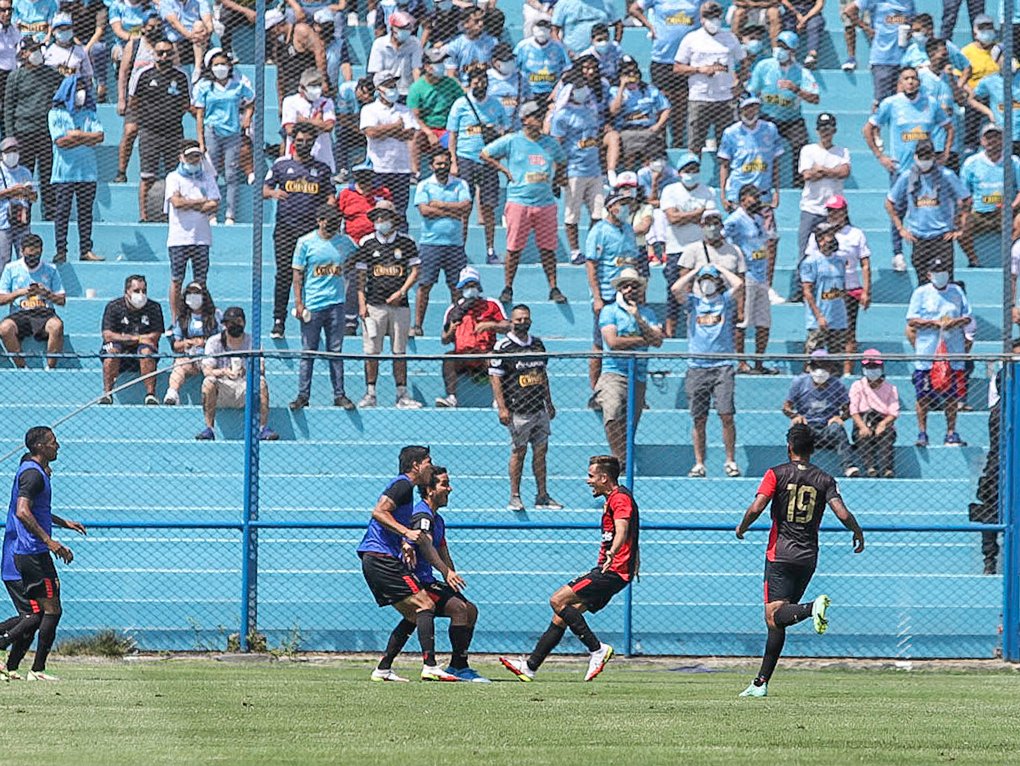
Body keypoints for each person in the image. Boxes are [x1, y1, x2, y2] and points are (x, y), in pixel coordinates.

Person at [734, 423, 865, 697]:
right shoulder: (825, 479)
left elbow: (758, 506)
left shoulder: (776, 474)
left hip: (780, 553)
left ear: (789, 447)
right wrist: (857, 531)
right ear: (813, 449)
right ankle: (761, 683)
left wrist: (743, 526)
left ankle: (810, 609)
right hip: (807, 557)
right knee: (777, 618)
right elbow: (841, 512)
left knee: (773, 615)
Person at [499, 454, 636, 682]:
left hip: (612, 570)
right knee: (562, 617)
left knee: (557, 600)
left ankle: (597, 649)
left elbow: (622, 529)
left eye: (591, 476)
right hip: (615, 569)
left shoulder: (619, 499)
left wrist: (614, 551)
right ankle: (530, 667)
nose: (588, 480)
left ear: (604, 477)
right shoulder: (615, 497)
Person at [374, 466, 488, 682]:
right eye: (444, 484)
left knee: (468, 610)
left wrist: (451, 573)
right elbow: (422, 541)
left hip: (428, 580)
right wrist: (409, 544)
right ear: (429, 490)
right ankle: (456, 667)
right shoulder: (422, 514)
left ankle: (385, 666)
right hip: (416, 580)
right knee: (459, 609)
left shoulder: (438, 519)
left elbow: (442, 550)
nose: (450, 488)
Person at [358, 445, 461, 683]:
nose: (431, 467)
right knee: (425, 604)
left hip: (379, 558)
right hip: (380, 558)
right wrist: (407, 533)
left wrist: (404, 540)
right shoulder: (402, 484)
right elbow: (379, 512)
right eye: (428, 462)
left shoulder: (408, 490)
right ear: (416, 465)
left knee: (415, 615)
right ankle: (430, 666)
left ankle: (383, 669)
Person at [0, 427, 87, 681]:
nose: (57, 446)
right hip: (29, 553)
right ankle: (33, 668)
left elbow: (35, 510)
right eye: (53, 442)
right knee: (40, 613)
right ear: (39, 447)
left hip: (30, 552)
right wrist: (51, 542)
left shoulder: (34, 471)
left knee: (38, 614)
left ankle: (15, 666)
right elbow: (23, 511)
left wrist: (63, 522)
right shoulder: (33, 475)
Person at [481, 100, 567, 306]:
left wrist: (556, 180)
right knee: (513, 248)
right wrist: (504, 170)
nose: (538, 120)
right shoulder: (512, 140)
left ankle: (553, 287)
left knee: (547, 248)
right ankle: (508, 287)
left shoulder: (550, 143)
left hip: (545, 202)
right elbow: (485, 153)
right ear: (524, 119)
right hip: (519, 200)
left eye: (540, 116)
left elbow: (562, 161)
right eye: (534, 116)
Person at [865, 68, 952, 270]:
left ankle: (929, 254)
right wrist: (881, 156)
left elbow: (948, 127)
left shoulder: (930, 103)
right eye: (906, 79)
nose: (910, 82)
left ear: (919, 82)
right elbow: (868, 128)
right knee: (897, 209)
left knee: (928, 207)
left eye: (914, 78)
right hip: (902, 169)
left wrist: (945, 153)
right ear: (900, 82)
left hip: (927, 170)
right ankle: (897, 254)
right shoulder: (891, 104)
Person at [263, 121, 335, 339]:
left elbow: (331, 196)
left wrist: (329, 210)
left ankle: (312, 316)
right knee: (284, 273)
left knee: (311, 274)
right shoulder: (281, 165)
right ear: (293, 142)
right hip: (286, 229)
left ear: (314, 143)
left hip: (312, 232)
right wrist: (274, 194)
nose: (303, 144)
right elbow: (264, 188)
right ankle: (278, 320)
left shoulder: (322, 169)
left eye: (308, 141)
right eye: (299, 140)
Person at [672, 263, 743, 478]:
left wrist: (720, 268)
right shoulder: (693, 303)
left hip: (722, 366)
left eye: (710, 279)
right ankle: (699, 463)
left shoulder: (725, 301)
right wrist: (695, 272)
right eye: (704, 280)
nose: (707, 283)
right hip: (697, 367)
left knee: (726, 415)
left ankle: (730, 460)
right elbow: (676, 289)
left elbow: (739, 284)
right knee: (698, 417)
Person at [489, 304, 562, 512]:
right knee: (518, 452)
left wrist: (549, 402)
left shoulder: (538, 344)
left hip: (538, 408)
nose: (523, 322)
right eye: (518, 319)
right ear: (511, 321)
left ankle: (542, 495)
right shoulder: (503, 347)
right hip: (517, 410)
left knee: (541, 452)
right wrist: (502, 408)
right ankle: (515, 496)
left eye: (526, 318)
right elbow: (495, 378)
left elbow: (542, 374)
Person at [355, 199, 422, 410]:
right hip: (374, 305)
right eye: (377, 217)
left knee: (399, 351)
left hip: (400, 306)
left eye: (384, 216)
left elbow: (415, 271)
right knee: (372, 351)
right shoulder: (367, 243)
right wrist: (362, 304)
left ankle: (401, 394)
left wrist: (401, 292)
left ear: (394, 219)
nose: (380, 220)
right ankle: (370, 393)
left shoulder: (407, 242)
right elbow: (360, 277)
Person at [594, 268, 664, 470]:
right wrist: (644, 339)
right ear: (620, 289)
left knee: (631, 422)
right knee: (613, 412)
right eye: (625, 285)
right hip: (614, 371)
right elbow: (613, 342)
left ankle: (624, 456)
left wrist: (638, 318)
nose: (630, 289)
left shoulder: (647, 313)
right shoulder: (610, 311)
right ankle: (620, 459)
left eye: (634, 285)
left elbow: (658, 341)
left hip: (638, 375)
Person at [290, 205, 355, 411]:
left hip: (336, 303)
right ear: (319, 220)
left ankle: (339, 394)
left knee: (335, 351)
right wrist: (299, 303)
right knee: (308, 351)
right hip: (314, 304)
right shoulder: (305, 243)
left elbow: (358, 259)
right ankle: (303, 395)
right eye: (328, 220)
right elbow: (297, 276)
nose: (333, 224)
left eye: (336, 220)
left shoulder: (345, 242)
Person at [717, 96, 783, 301]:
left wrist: (777, 190)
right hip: (739, 196)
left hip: (763, 195)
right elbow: (724, 165)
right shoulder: (731, 133)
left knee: (769, 241)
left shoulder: (770, 130)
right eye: (746, 107)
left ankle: (766, 287)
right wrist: (723, 193)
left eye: (754, 106)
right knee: (737, 242)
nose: (750, 111)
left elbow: (775, 161)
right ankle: (736, 285)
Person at [905, 257, 971, 448]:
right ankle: (922, 432)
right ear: (929, 275)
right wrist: (933, 323)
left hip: (952, 352)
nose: (940, 275)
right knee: (923, 395)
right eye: (936, 272)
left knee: (951, 396)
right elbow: (911, 320)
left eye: (943, 271)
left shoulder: (956, 291)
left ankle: (951, 432)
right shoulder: (921, 293)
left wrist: (954, 322)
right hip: (927, 353)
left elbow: (967, 317)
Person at [884, 139, 971, 285]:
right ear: (916, 156)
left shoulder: (946, 175)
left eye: (928, 157)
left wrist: (960, 226)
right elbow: (889, 202)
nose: (925, 161)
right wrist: (901, 228)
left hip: (942, 237)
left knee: (944, 283)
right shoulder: (907, 176)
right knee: (923, 284)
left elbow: (966, 199)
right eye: (922, 157)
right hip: (919, 238)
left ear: (933, 156)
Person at [447, 62, 507, 265]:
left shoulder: (496, 104)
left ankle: (490, 250)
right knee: (465, 206)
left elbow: (504, 132)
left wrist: (495, 131)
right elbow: (452, 135)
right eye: (476, 80)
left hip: (488, 160)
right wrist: (453, 162)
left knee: (488, 208)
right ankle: (459, 251)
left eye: (483, 80)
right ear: (470, 82)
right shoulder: (460, 104)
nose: (480, 83)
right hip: (466, 159)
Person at [806, 195, 872, 376]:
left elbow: (865, 263)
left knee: (848, 331)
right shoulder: (817, 234)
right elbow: (810, 260)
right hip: (824, 290)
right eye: (831, 211)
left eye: (838, 210)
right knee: (820, 331)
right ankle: (817, 371)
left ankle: (846, 372)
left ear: (845, 211)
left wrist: (866, 290)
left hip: (849, 289)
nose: (834, 214)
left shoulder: (855, 234)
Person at [585, 189, 640, 400]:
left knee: (629, 341)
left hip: (627, 294)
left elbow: (632, 260)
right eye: (621, 203)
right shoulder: (599, 230)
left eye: (627, 203)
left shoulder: (628, 230)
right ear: (610, 207)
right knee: (600, 344)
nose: (625, 208)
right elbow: (591, 264)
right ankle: (596, 391)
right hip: (607, 295)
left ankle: (630, 392)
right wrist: (597, 297)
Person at [130, 37, 192, 223]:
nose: (164, 56)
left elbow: (185, 104)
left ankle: (173, 214)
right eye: (160, 53)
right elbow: (134, 102)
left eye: (168, 52)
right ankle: (144, 216)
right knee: (147, 176)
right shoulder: (144, 75)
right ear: (154, 54)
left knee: (175, 176)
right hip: (150, 133)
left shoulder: (181, 77)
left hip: (174, 134)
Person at [673, 1, 746, 156]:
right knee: (695, 145)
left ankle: (724, 180)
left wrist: (739, 82)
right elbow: (677, 67)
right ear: (702, 18)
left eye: (716, 16)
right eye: (709, 16)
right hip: (700, 98)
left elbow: (743, 61)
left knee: (726, 147)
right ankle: (694, 176)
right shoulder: (691, 38)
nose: (713, 20)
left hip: (725, 99)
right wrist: (699, 69)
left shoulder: (730, 38)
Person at [747, 31, 819, 188]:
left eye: (784, 47)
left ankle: (799, 184)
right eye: (778, 45)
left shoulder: (801, 72)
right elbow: (752, 90)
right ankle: (757, 183)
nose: (780, 49)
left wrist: (796, 90)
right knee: (757, 144)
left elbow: (815, 98)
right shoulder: (764, 66)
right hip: (767, 116)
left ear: (792, 51)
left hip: (791, 119)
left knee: (801, 145)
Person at [196, 306, 278, 441]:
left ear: (243, 322)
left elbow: (261, 368)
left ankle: (263, 428)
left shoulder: (253, 342)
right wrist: (224, 372)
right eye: (230, 322)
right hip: (223, 388)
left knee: (261, 382)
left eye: (237, 321)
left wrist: (246, 370)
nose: (234, 325)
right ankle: (209, 429)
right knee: (208, 382)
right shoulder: (214, 342)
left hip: (245, 386)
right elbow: (207, 370)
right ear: (225, 325)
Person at [550, 69, 606, 267]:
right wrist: (559, 173)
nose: (582, 90)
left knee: (598, 213)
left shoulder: (591, 110)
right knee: (572, 213)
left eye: (584, 86)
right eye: (578, 87)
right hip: (574, 169)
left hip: (594, 170)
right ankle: (575, 250)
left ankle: (592, 247)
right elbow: (556, 145)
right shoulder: (562, 116)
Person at [412, 150, 470, 336]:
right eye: (438, 164)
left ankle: (457, 325)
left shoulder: (460, 184)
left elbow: (466, 207)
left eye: (445, 163)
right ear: (431, 166)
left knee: (456, 287)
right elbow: (425, 211)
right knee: (424, 285)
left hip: (455, 244)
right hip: (431, 244)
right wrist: (453, 212)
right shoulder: (424, 185)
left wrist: (439, 205)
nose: (442, 167)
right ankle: (418, 325)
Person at [193, 49, 254, 225]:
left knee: (231, 174)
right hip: (212, 131)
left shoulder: (238, 86)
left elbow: (251, 101)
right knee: (211, 173)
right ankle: (212, 214)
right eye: (216, 65)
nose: (220, 68)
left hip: (233, 133)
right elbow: (199, 114)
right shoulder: (205, 87)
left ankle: (230, 214)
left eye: (223, 64)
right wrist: (201, 141)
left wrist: (247, 117)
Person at [660, 152, 718, 338]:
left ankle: (698, 330)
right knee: (674, 290)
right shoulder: (670, 190)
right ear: (679, 172)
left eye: (695, 170)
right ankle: (670, 331)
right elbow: (672, 218)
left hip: (700, 250)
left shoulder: (708, 191)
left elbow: (708, 219)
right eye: (687, 170)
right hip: (676, 248)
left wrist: (684, 216)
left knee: (702, 290)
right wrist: (696, 214)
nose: (691, 173)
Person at [3, 38, 62, 220]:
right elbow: (8, 107)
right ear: (24, 53)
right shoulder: (16, 76)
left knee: (47, 174)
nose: (36, 53)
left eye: (38, 49)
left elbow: (65, 88)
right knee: (24, 175)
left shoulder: (51, 74)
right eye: (32, 50)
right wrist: (10, 136)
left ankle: (50, 212)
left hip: (45, 132)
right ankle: (23, 211)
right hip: (23, 132)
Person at [794, 113, 851, 300]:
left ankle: (838, 288)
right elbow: (807, 175)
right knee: (805, 252)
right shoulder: (808, 150)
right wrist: (831, 172)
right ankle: (801, 290)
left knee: (837, 249)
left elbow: (844, 172)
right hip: (811, 208)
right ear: (817, 130)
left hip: (834, 211)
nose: (826, 132)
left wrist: (823, 170)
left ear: (834, 130)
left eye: (829, 128)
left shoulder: (842, 151)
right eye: (822, 128)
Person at [436, 266, 509, 408]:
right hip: (462, 356)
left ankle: (499, 400)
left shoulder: (491, 304)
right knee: (448, 359)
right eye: (467, 285)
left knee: (497, 358)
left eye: (473, 285)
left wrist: (491, 325)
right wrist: (451, 330)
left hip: (484, 354)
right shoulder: (453, 309)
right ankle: (451, 398)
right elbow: (444, 339)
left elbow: (507, 327)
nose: (471, 288)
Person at [48, 74, 103, 264]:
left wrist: (77, 134)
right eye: (77, 88)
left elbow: (99, 137)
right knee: (62, 212)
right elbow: (61, 142)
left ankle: (86, 250)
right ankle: (61, 250)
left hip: (87, 172)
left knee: (85, 212)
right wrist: (86, 138)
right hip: (64, 173)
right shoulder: (56, 113)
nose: (81, 92)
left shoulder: (90, 113)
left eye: (83, 87)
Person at [164, 140, 219, 322]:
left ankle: (200, 318)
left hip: (202, 238)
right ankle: (175, 319)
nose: (194, 160)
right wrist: (200, 201)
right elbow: (176, 203)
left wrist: (188, 202)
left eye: (197, 156)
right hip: (179, 238)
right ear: (181, 157)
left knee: (201, 282)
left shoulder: (207, 177)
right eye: (190, 156)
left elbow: (213, 205)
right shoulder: (173, 178)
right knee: (176, 280)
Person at [724, 184, 776, 376]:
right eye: (753, 196)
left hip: (760, 275)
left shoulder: (758, 219)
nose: (756, 200)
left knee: (764, 321)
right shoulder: (735, 219)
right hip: (745, 275)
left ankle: (759, 361)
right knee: (742, 320)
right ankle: (741, 361)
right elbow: (723, 239)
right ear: (744, 198)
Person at [783, 349, 859, 477]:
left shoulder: (837, 384)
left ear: (830, 367)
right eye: (816, 366)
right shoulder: (799, 382)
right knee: (796, 430)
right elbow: (786, 407)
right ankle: (795, 466)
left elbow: (848, 408)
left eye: (824, 366)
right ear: (810, 367)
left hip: (827, 427)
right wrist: (795, 416)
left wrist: (840, 418)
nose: (820, 370)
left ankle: (848, 466)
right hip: (808, 426)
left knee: (838, 429)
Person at [359, 71, 419, 227]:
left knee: (399, 212)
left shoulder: (404, 110)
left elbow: (410, 133)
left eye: (393, 84)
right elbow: (371, 133)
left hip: (401, 169)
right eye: (388, 85)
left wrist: (384, 131)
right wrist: (395, 127)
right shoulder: (369, 109)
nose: (392, 88)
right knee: (378, 210)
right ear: (379, 89)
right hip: (379, 168)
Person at [959, 124, 1020, 268]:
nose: (992, 141)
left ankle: (1011, 257)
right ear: (982, 141)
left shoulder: (1014, 162)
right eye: (988, 137)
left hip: (1006, 213)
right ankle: (974, 261)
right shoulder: (971, 163)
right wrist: (966, 212)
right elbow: (963, 193)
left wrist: (1011, 206)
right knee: (961, 227)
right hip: (979, 213)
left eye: (996, 137)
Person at [0, 233, 64, 369]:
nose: (33, 259)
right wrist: (20, 292)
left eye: (36, 256)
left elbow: (61, 300)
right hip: (20, 314)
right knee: (5, 328)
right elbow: (1, 299)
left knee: (57, 326)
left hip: (44, 313)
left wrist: (45, 293)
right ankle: (22, 367)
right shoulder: (11, 268)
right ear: (22, 251)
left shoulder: (50, 269)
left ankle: (50, 368)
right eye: (29, 256)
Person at [643, 0, 700, 147]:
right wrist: (650, 26)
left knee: (681, 105)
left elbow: (711, 8)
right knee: (663, 104)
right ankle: (660, 141)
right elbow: (634, 9)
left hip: (687, 61)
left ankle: (678, 141)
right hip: (662, 59)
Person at [100, 274, 164, 405]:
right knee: (111, 352)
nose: (141, 295)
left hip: (142, 349)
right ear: (126, 292)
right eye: (136, 291)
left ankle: (150, 394)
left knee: (147, 352)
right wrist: (137, 338)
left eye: (144, 291)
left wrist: (134, 339)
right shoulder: (114, 307)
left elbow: (155, 336)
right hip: (119, 346)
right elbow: (107, 335)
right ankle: (107, 394)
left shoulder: (154, 307)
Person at [844, 0, 915, 108]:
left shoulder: (908, 2)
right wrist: (867, 28)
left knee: (904, 102)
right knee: (881, 103)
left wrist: (910, 31)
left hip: (904, 59)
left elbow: (913, 20)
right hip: (882, 59)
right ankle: (875, 123)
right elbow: (849, 10)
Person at [607, 56, 670, 174]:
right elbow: (614, 111)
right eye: (627, 72)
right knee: (629, 146)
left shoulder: (649, 89)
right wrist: (622, 87)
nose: (631, 75)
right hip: (627, 129)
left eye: (634, 72)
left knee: (653, 143)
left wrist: (658, 125)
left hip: (648, 128)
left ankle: (648, 176)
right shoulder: (614, 91)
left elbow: (665, 108)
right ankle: (629, 175)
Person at [406, 47, 462, 177]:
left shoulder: (451, 83)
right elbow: (414, 116)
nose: (441, 66)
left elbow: (462, 103)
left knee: (454, 139)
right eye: (437, 63)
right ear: (427, 67)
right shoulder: (417, 88)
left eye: (442, 63)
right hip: (426, 130)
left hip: (447, 128)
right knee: (414, 136)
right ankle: (415, 172)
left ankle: (453, 168)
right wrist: (429, 132)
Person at [163, 281, 220, 405]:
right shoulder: (183, 318)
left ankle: (214, 398)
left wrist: (206, 343)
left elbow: (223, 338)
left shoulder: (215, 315)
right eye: (190, 294)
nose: (193, 297)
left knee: (210, 369)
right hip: (191, 358)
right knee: (179, 364)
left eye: (197, 293)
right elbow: (176, 344)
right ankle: (172, 394)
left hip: (210, 358)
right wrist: (187, 343)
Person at [800, 222, 849, 356]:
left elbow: (843, 288)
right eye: (829, 235)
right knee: (813, 356)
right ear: (820, 240)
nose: (833, 238)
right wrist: (819, 316)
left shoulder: (840, 261)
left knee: (836, 357)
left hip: (838, 318)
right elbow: (807, 292)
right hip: (819, 320)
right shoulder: (811, 262)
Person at [849, 349, 899, 478]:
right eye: (869, 367)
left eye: (875, 366)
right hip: (863, 420)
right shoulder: (857, 386)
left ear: (881, 367)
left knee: (886, 436)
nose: (872, 369)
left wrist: (883, 424)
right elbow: (853, 410)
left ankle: (887, 469)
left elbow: (894, 411)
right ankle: (870, 467)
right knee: (862, 437)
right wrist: (862, 426)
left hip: (882, 420)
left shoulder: (891, 388)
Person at [281, 68, 337, 173]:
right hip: (296, 157)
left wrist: (305, 121)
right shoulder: (290, 101)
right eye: (312, 86)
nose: (316, 89)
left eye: (318, 85)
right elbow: (290, 129)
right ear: (302, 87)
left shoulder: (326, 102)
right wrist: (318, 123)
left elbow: (329, 126)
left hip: (322, 156)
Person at [366, 10, 422, 100]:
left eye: (409, 28)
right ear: (393, 28)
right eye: (403, 28)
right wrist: (386, 91)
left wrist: (418, 93)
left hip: (407, 92)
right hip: (385, 91)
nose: (406, 31)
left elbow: (416, 69)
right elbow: (376, 73)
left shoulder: (415, 43)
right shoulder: (379, 44)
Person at [0, 137, 37, 269]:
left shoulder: (25, 172)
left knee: (25, 257)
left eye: (15, 150)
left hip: (22, 219)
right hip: (3, 221)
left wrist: (28, 193)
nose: (12, 154)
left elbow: (34, 198)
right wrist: (11, 191)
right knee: (3, 259)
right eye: (9, 151)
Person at [513, 18, 568, 105]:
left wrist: (557, 90)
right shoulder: (522, 46)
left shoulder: (558, 47)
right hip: (529, 91)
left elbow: (567, 69)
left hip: (551, 91)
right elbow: (514, 69)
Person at [551, 0, 622, 59]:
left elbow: (618, 24)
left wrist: (615, 45)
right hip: (574, 57)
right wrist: (564, 51)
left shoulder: (606, 2)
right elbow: (554, 32)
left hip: (601, 57)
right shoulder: (563, 3)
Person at [444, 7, 495, 77]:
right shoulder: (455, 45)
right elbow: (451, 74)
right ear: (465, 23)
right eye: (476, 21)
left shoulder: (492, 42)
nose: (481, 24)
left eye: (482, 20)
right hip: (463, 86)